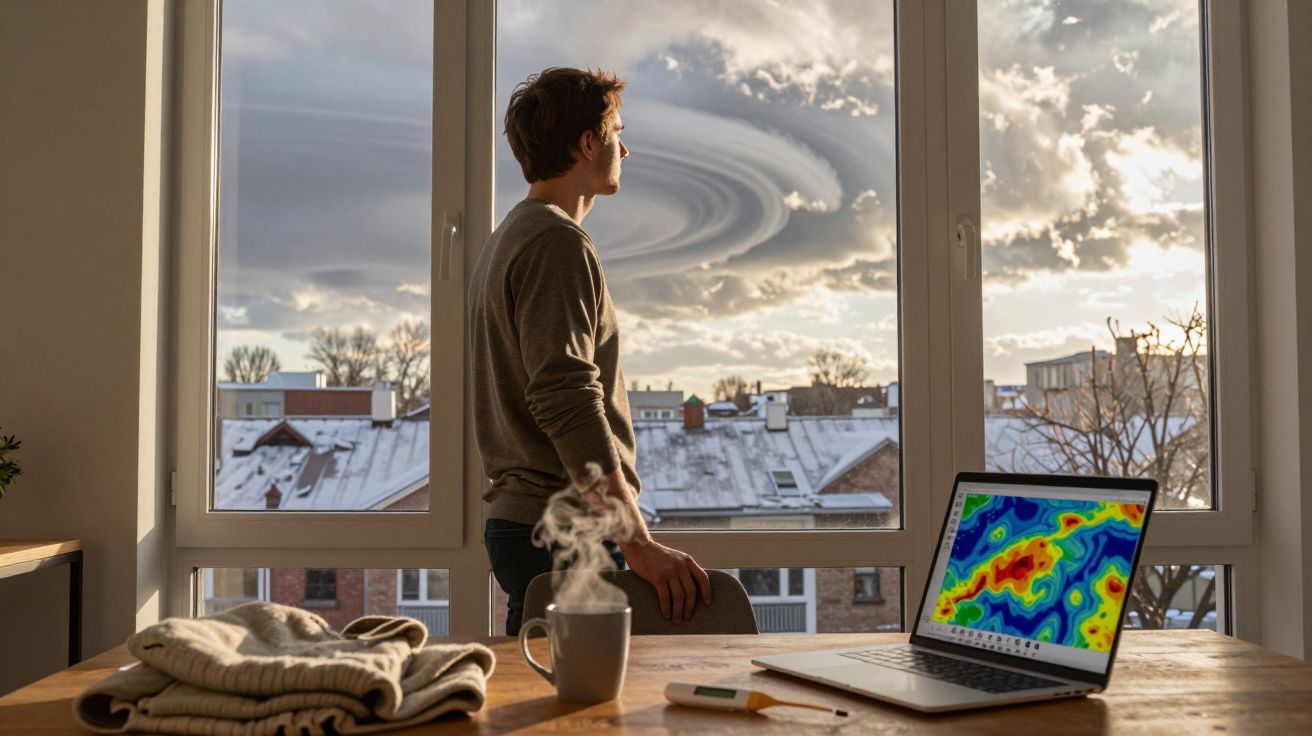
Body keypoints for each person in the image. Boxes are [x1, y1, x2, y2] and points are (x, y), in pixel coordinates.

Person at [469, 67, 713, 635]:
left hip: (527, 526)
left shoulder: (510, 237)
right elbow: (567, 398)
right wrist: (640, 543)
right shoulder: (556, 241)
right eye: (615, 132)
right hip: (560, 532)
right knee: (575, 717)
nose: (624, 148)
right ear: (587, 143)